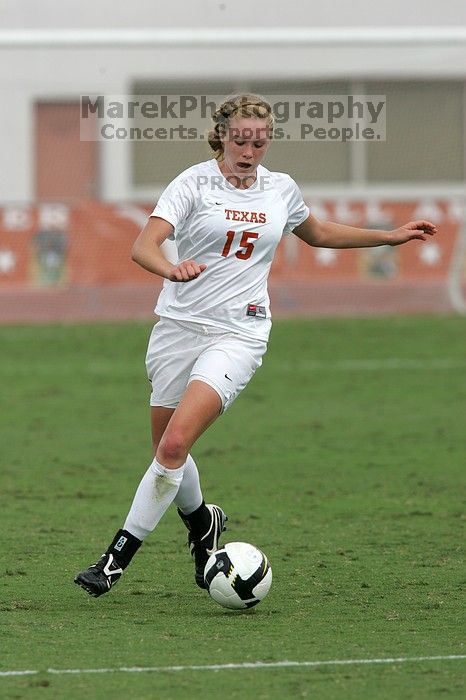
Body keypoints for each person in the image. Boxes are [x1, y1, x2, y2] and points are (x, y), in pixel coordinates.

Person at [74, 93, 437, 597]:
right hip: (178, 327)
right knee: (166, 450)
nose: (249, 150)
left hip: (240, 332)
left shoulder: (280, 189)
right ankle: (203, 523)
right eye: (241, 139)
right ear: (222, 135)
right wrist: (171, 268)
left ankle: (114, 559)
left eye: (259, 142)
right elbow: (143, 247)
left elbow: (318, 233)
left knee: (176, 444)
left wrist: (390, 236)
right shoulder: (193, 183)